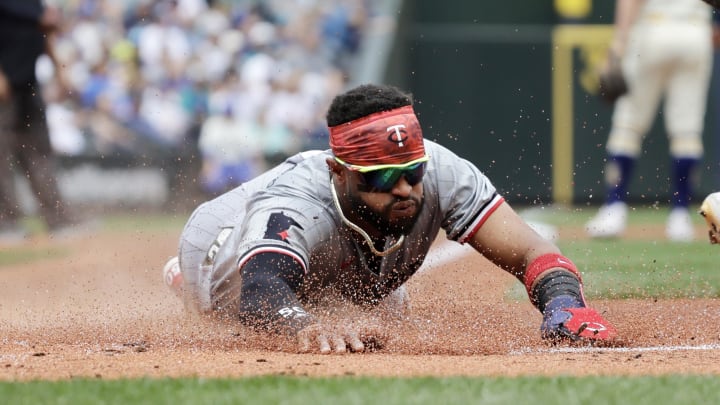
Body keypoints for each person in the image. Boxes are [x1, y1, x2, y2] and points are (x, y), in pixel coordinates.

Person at [164, 83, 617, 354]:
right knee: (240, 311)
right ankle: (185, 278)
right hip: (220, 256)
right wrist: (306, 325)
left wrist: (564, 304)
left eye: (412, 173)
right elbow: (262, 291)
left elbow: (531, 249)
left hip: (349, 261)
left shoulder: (441, 171)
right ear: (339, 171)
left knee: (385, 316)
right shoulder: (298, 202)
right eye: (383, 178)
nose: (405, 189)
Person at [585, 0, 714, 241]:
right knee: (687, 132)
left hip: (654, 29)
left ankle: (614, 209)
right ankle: (680, 216)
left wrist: (618, 44)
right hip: (696, 32)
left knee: (628, 126)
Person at [0, 1, 77, 241]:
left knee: (40, 151)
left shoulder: (33, 4)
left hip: (28, 84)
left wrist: (60, 69)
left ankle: (58, 219)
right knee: (1, 157)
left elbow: (48, 29)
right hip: (4, 85)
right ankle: (6, 224)